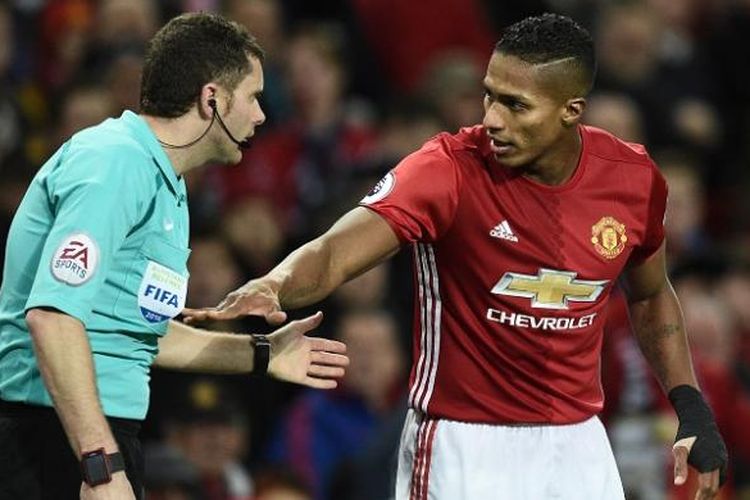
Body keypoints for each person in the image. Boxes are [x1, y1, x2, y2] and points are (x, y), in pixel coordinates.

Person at [184, 13, 729, 500]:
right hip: (463, 442)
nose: (493, 119)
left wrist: (691, 407)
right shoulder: (447, 169)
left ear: (571, 111)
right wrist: (273, 286)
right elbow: (333, 254)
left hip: (579, 441)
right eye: (490, 95)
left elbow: (652, 292)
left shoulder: (632, 180)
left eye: (516, 105)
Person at [0, 12, 349, 500]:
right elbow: (52, 318)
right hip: (52, 438)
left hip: (89, 435)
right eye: (252, 96)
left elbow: (144, 336)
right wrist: (99, 465)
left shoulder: (166, 185)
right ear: (212, 99)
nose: (261, 115)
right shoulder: (115, 162)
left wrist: (262, 353)